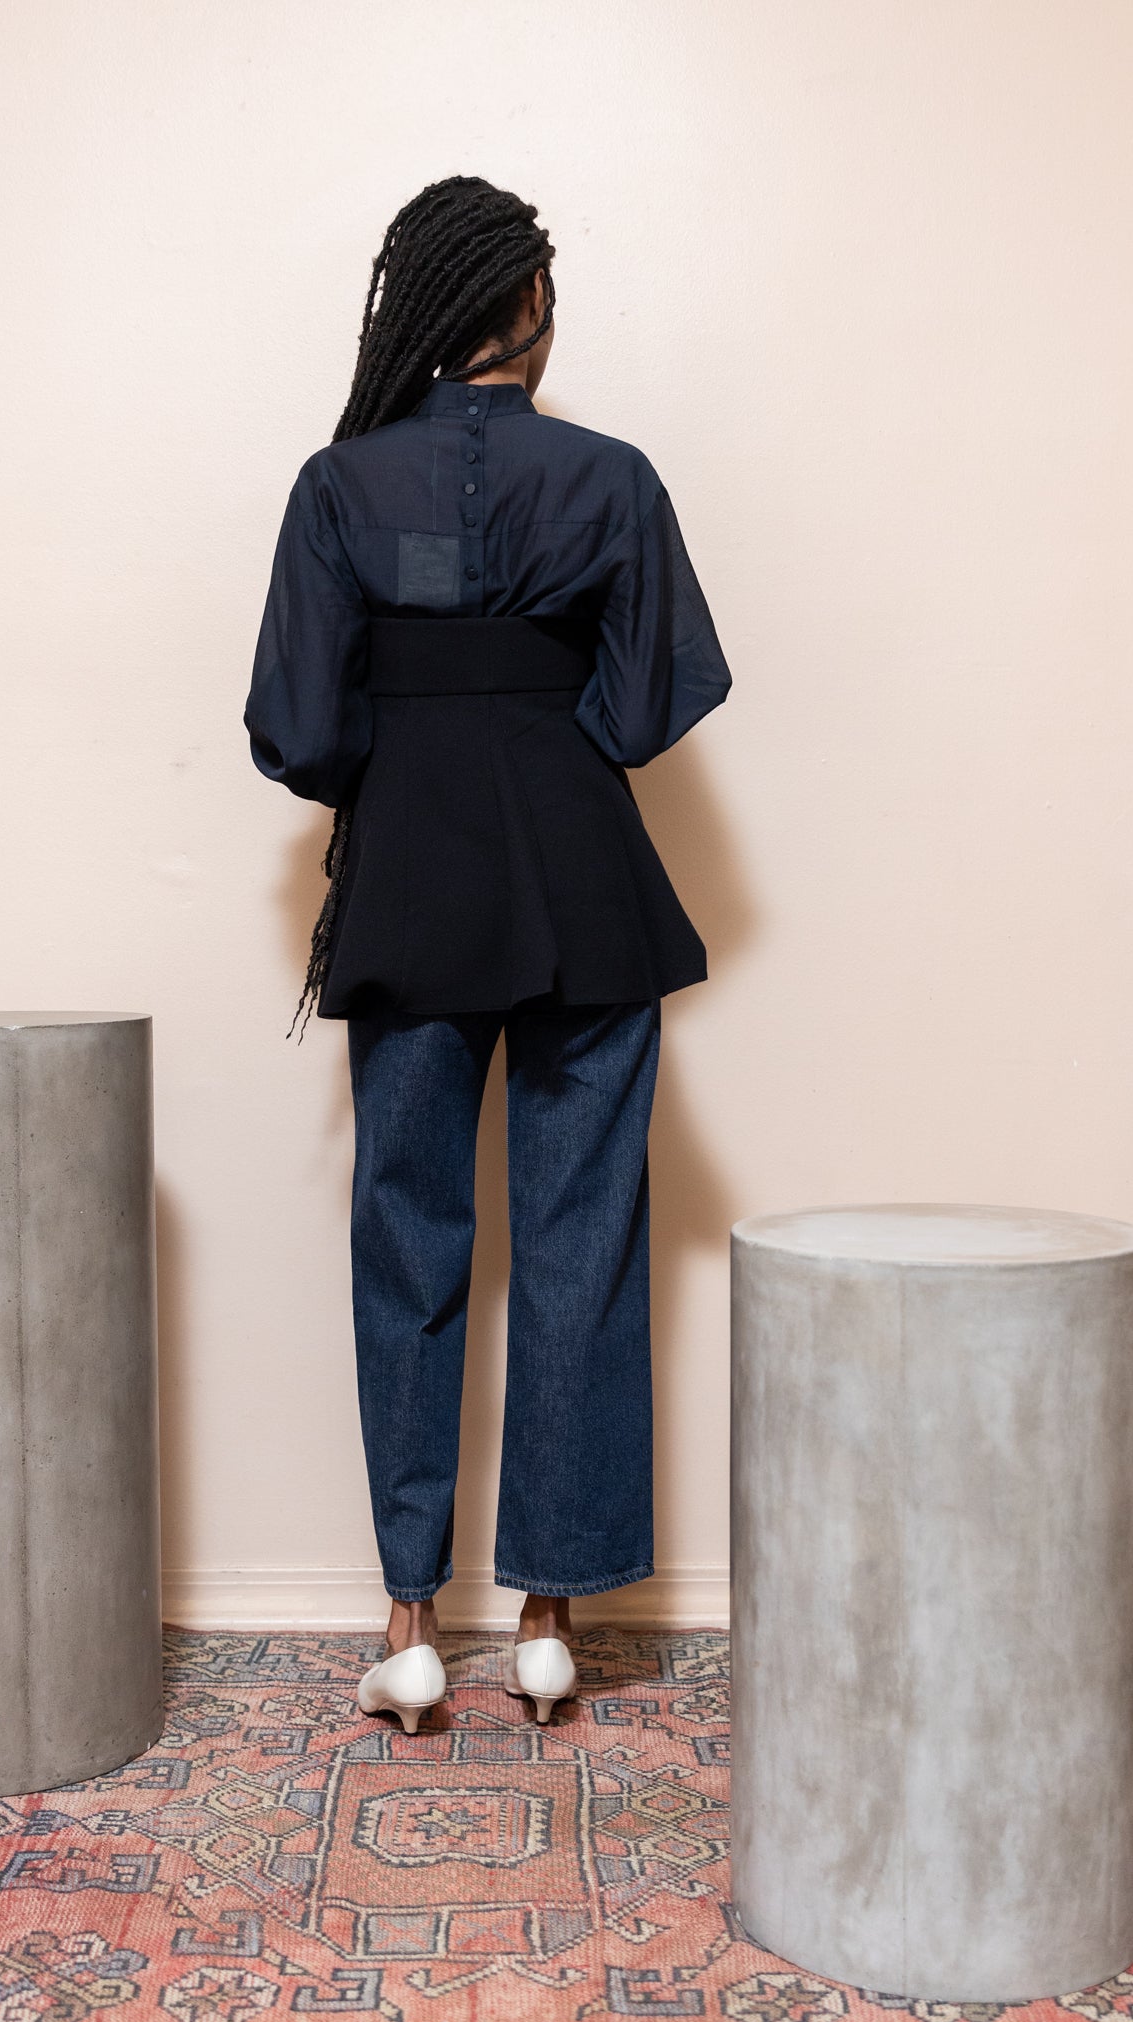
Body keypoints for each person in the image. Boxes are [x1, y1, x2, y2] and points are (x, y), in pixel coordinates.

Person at [245, 175, 732, 1734]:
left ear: (425, 312)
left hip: (410, 896)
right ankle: (546, 1620)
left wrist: (415, 754)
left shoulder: (340, 484)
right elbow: (649, 705)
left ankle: (407, 1619)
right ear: (528, 310)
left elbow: (301, 731)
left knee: (408, 1240)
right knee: (582, 1242)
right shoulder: (612, 477)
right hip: (585, 890)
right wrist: (539, 727)